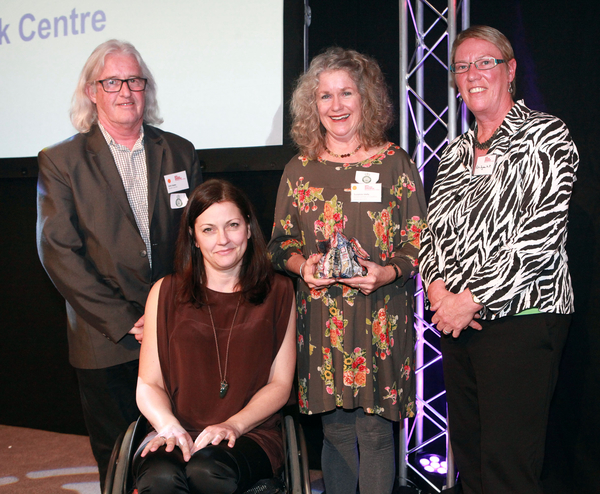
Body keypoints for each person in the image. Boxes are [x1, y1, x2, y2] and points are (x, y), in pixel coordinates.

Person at [419, 26, 579, 494]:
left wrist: (471, 297)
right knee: (471, 462)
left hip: (523, 320)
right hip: (458, 323)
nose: (472, 74)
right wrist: (437, 291)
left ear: (510, 70)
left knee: (508, 467)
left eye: (484, 62)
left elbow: (540, 235)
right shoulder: (452, 152)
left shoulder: (545, 136)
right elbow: (433, 237)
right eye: (463, 66)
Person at [36, 39, 201, 489]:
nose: (125, 91)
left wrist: (173, 310)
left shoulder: (180, 153)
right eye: (112, 81)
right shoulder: (62, 161)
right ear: (92, 91)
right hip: (105, 336)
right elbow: (59, 252)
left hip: (173, 329)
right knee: (119, 454)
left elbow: (196, 239)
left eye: (134, 80)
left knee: (174, 448)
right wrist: (127, 320)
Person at [268, 47, 427, 494]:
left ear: (367, 99)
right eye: (325, 96)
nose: (336, 106)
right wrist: (306, 265)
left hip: (380, 316)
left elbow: (418, 243)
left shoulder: (394, 162)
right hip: (323, 321)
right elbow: (278, 247)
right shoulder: (299, 169)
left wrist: (386, 272)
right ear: (310, 105)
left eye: (346, 93)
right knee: (336, 433)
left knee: (376, 434)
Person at [133, 179, 296, 494]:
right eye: (208, 229)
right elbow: (148, 384)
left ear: (248, 228)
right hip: (175, 428)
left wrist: (233, 424)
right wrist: (168, 427)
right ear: (193, 237)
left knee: (207, 470)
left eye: (232, 225)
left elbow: (280, 385)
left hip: (250, 433)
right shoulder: (164, 292)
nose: (223, 239)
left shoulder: (279, 291)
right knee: (160, 478)